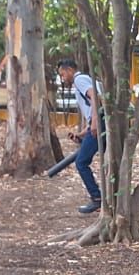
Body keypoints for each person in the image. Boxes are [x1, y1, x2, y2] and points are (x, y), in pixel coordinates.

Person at [55, 58, 103, 214]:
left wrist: (95, 123)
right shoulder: (86, 79)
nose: (63, 78)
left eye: (63, 74)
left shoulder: (80, 79)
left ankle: (97, 198)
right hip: (100, 122)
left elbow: (95, 98)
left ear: (69, 70)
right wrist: (82, 134)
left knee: (81, 163)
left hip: (100, 122)